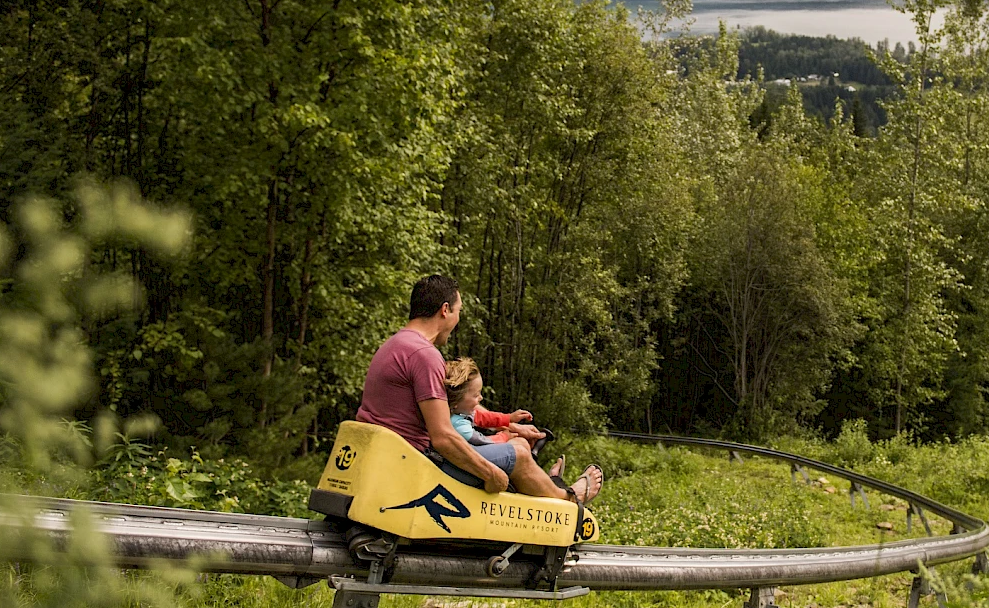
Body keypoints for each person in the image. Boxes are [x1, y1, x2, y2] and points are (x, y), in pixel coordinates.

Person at [356, 274, 603, 504]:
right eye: (458, 311)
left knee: (517, 443)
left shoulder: (396, 344)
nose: (458, 319)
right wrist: (490, 472)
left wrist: (506, 424)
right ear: (445, 310)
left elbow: (450, 405)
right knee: (519, 456)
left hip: (393, 456)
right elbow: (443, 437)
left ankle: (545, 485)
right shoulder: (424, 355)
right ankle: (569, 500)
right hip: (418, 463)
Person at [445, 357, 535, 448]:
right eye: (476, 395)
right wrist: (504, 436)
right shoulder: (458, 425)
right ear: (456, 400)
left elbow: (484, 418)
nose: (481, 397)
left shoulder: (460, 412)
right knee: (519, 445)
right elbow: (481, 441)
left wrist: (509, 417)